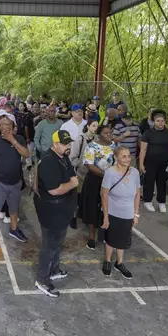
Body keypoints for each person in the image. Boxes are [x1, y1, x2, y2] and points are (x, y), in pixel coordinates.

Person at [33, 130, 78, 298]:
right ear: (55, 144)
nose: (68, 146)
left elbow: (71, 174)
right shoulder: (48, 162)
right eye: (65, 143)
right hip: (52, 211)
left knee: (58, 242)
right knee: (49, 245)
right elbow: (54, 190)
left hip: (63, 209)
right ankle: (42, 279)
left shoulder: (62, 156)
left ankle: (53, 270)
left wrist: (72, 182)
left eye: (69, 143)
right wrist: (73, 184)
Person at [0, 115, 30, 246]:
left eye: (8, 124)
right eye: (3, 124)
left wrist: (12, 140)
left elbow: (26, 154)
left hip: (15, 182)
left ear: (13, 127)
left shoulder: (19, 138)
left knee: (14, 209)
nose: (5, 127)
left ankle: (14, 230)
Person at [100, 146, 141, 279]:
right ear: (116, 158)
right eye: (124, 156)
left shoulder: (135, 172)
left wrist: (136, 214)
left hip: (128, 212)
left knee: (123, 238)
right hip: (113, 211)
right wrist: (106, 217)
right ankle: (107, 260)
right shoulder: (110, 173)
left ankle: (120, 262)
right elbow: (104, 195)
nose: (127, 159)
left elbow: (137, 194)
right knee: (111, 238)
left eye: (129, 156)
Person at [80, 125, 117, 249]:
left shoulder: (114, 146)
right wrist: (105, 175)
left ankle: (106, 232)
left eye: (110, 133)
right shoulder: (91, 146)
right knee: (92, 206)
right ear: (99, 134)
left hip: (111, 181)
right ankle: (91, 235)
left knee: (107, 206)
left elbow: (116, 162)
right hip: (94, 180)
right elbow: (89, 165)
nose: (109, 135)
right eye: (106, 133)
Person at [139, 109, 168, 213]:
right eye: (158, 121)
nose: (160, 123)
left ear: (165, 122)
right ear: (154, 121)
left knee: (162, 182)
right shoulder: (148, 133)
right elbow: (143, 150)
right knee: (149, 181)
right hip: (150, 162)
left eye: (162, 121)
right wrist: (141, 164)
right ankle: (148, 201)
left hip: (165, 163)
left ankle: (161, 202)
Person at [68, 119, 98, 229]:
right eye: (93, 125)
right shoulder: (80, 139)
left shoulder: (97, 139)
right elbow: (72, 157)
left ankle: (85, 216)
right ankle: (73, 217)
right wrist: (82, 166)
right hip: (80, 173)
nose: (95, 128)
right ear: (88, 126)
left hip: (92, 173)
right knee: (77, 196)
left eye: (97, 126)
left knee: (88, 197)